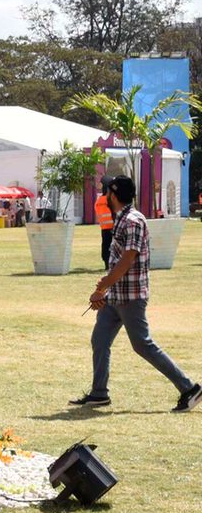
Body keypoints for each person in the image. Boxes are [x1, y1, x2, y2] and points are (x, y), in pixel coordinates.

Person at [71, 176, 201, 412]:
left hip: (131, 297)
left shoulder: (133, 220)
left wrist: (103, 285)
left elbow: (127, 259)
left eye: (106, 192)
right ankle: (99, 393)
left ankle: (189, 388)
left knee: (142, 344)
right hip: (116, 297)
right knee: (100, 339)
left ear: (113, 194)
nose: (103, 196)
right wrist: (104, 291)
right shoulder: (121, 219)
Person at [94, 179, 114, 271]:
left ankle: (106, 264)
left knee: (105, 245)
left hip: (104, 227)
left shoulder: (99, 201)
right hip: (113, 227)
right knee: (114, 246)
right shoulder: (111, 199)